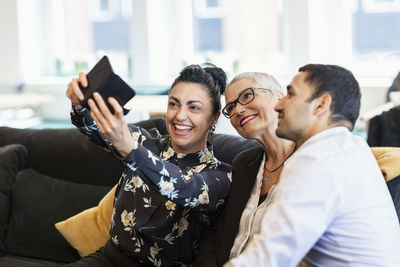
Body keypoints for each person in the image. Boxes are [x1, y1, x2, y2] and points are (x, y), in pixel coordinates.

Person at [223, 64, 400, 266]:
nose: (279, 106)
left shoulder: (318, 158)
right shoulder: (350, 148)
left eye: (290, 95)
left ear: (321, 104)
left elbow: (269, 256)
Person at [65, 63, 232, 266]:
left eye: (194, 107)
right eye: (174, 104)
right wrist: (80, 103)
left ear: (214, 117)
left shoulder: (220, 176)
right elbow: (94, 129)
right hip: (106, 259)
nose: (180, 115)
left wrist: (131, 151)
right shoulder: (145, 141)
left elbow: (183, 187)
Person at [194, 71, 296, 266]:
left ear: (280, 98)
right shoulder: (243, 163)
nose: (238, 111)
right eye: (230, 107)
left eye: (247, 95)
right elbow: (218, 233)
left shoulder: (312, 161)